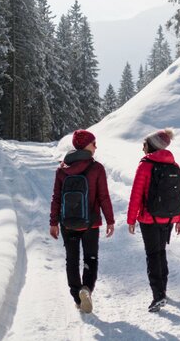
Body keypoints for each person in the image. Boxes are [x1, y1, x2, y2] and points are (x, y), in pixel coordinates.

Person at [49, 129, 115, 313]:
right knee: (90, 258)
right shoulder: (96, 168)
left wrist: (53, 222)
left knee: (71, 259)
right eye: (93, 143)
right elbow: (103, 197)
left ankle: (77, 297)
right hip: (91, 223)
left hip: (67, 222)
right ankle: (86, 288)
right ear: (85, 145)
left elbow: (56, 198)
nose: (96, 146)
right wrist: (110, 220)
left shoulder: (62, 169)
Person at [127, 128, 180, 312]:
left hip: (148, 218)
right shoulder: (174, 166)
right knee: (161, 253)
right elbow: (179, 195)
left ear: (151, 145)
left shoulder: (145, 165)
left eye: (144, 144)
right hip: (168, 218)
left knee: (153, 255)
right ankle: (163, 291)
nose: (142, 147)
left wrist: (131, 219)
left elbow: (136, 194)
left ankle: (158, 295)